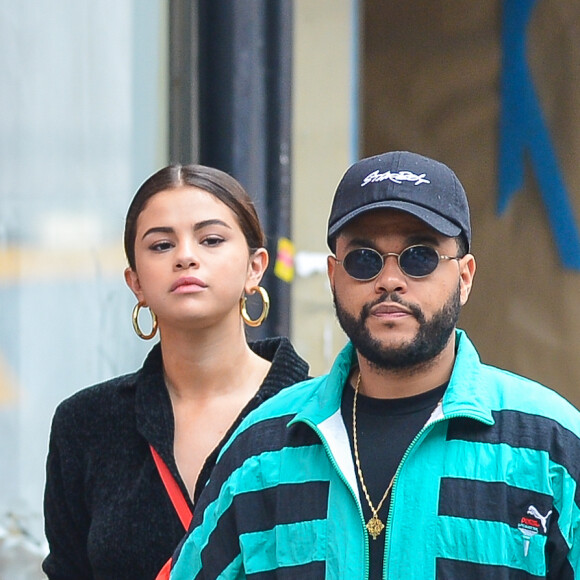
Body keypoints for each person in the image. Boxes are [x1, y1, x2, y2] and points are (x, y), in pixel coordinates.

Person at [168, 151, 580, 580]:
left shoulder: (549, 445)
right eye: (363, 259)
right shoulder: (264, 447)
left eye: (418, 256)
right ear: (333, 275)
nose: (389, 280)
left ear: (465, 277)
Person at [42, 164, 310, 580]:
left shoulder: (320, 416)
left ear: (255, 268)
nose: (186, 256)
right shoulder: (84, 422)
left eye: (211, 239)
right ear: (136, 282)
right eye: (162, 245)